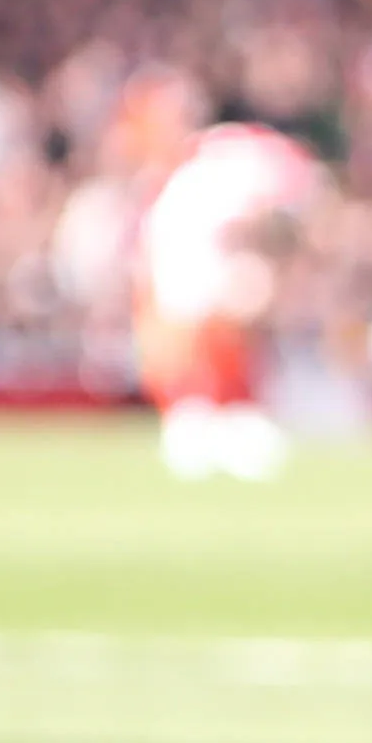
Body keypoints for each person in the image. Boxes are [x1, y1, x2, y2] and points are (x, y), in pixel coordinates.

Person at [137, 112, 324, 482]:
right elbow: (257, 226)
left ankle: (220, 414)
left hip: (193, 251)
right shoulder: (258, 172)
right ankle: (201, 416)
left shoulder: (222, 164)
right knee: (203, 335)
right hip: (194, 251)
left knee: (217, 334)